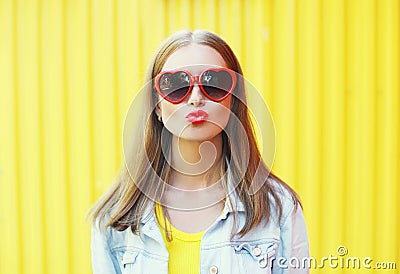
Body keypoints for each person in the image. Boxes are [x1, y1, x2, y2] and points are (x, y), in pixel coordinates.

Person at [89, 30, 309, 274]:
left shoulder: (278, 208)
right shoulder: (116, 218)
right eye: (175, 85)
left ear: (232, 100)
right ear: (156, 106)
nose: (195, 98)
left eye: (214, 84)